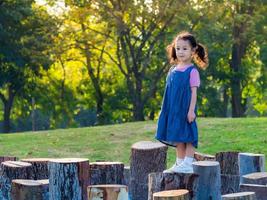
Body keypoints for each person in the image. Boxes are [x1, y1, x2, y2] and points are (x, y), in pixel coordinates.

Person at [155, 31, 208, 173]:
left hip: (186, 109)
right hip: (174, 110)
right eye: (178, 48)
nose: (181, 52)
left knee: (188, 135)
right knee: (178, 135)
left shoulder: (192, 71)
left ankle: (189, 162)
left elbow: (194, 93)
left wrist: (191, 111)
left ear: (193, 51)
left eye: (185, 48)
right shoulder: (172, 70)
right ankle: (179, 162)